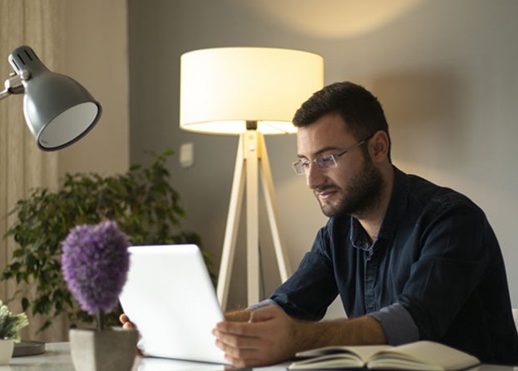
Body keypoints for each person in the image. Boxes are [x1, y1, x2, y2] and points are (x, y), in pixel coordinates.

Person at [122, 81, 518, 367]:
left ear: (378, 147)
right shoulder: (338, 231)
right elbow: (286, 305)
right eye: (305, 162)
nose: (312, 180)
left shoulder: (451, 218)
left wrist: (298, 338)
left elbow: (416, 320)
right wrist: (181, 324)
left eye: (328, 158)